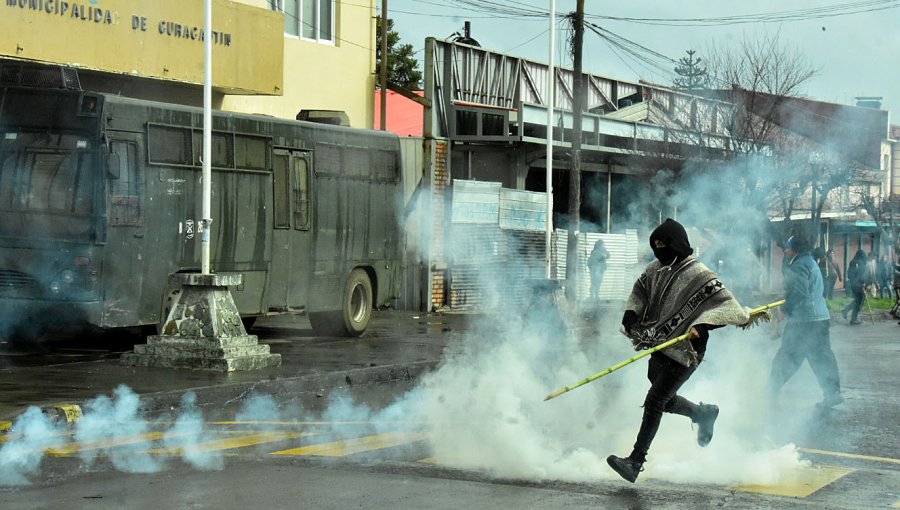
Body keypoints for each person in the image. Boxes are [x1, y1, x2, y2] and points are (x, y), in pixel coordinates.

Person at [606, 219, 751, 483]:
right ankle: (703, 414)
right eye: (656, 247)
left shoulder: (699, 273)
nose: (660, 252)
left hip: (687, 349)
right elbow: (640, 290)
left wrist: (703, 326)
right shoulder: (655, 269)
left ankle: (635, 461)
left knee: (655, 400)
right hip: (660, 343)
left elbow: (726, 306)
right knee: (664, 399)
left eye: (664, 246)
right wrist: (631, 314)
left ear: (678, 245)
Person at [769, 234, 843, 409]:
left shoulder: (799, 265)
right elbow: (806, 289)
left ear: (795, 249)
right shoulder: (810, 262)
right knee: (822, 358)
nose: (785, 251)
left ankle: (769, 393)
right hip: (820, 319)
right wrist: (786, 297)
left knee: (787, 357)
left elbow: (801, 293)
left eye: (787, 247)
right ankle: (833, 394)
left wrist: (784, 310)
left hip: (804, 321)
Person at [842, 250, 868, 325]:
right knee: (859, 301)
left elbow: (849, 275)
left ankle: (846, 311)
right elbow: (862, 275)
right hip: (858, 285)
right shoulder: (860, 263)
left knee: (858, 300)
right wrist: (862, 282)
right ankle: (853, 319)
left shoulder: (853, 262)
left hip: (854, 284)